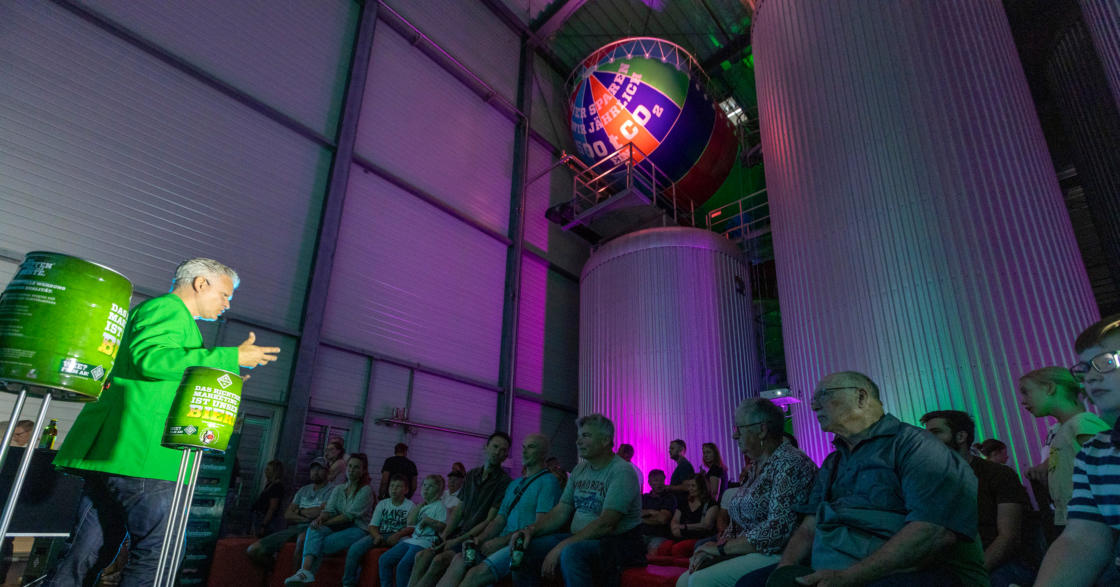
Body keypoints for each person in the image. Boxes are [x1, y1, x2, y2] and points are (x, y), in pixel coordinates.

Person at [45, 258, 281, 586]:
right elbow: (152, 360)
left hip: (118, 455)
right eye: (224, 295)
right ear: (201, 283)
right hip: (145, 456)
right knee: (159, 553)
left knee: (87, 553)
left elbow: (165, 372)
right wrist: (230, 356)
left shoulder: (172, 317)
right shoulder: (167, 310)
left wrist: (218, 374)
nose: (227, 304)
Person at [754, 371, 987, 587]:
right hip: (836, 569)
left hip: (903, 571)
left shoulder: (917, 447)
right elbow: (808, 528)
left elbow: (933, 533)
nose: (814, 406)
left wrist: (848, 577)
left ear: (861, 397)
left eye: (824, 395)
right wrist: (786, 569)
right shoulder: (833, 462)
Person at [677, 398, 816, 587]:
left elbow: (776, 530)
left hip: (778, 552)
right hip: (749, 548)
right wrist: (718, 545)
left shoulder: (790, 463)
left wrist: (722, 549)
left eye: (739, 428)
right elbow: (737, 520)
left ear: (762, 429)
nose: (735, 436)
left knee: (700, 581)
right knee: (684, 580)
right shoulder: (756, 467)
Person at [508, 414, 645, 586]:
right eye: (579, 436)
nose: (578, 442)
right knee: (525, 550)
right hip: (582, 538)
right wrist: (530, 530)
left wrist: (562, 546)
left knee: (571, 553)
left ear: (605, 440)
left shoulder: (622, 471)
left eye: (586, 436)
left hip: (618, 544)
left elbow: (606, 524)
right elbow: (562, 510)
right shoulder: (580, 470)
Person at [1035, 314, 1120, 585]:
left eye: (1107, 362)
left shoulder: (1083, 427)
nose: (1091, 377)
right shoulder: (1095, 453)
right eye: (1085, 368)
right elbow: (1082, 539)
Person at [921, 410, 1035, 586]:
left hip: (995, 562)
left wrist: (972, 575)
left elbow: (1008, 538)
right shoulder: (929, 480)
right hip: (949, 567)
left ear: (961, 436)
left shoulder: (998, 474)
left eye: (936, 432)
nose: (927, 439)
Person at [439, 433, 561, 587]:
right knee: (459, 559)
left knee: (474, 575)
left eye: (531, 447)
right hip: (500, 542)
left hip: (519, 545)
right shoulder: (514, 484)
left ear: (543, 453)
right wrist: (480, 539)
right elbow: (499, 519)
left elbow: (540, 525)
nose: (524, 451)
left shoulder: (548, 482)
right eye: (523, 447)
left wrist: (501, 542)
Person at [408, 432, 512, 587]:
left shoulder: (505, 482)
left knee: (439, 560)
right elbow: (459, 510)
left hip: (475, 538)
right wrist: (445, 535)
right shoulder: (471, 475)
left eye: (503, 450)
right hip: (460, 531)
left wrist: (457, 540)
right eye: (495, 447)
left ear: (506, 456)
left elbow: (489, 520)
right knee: (421, 556)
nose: (497, 452)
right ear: (486, 447)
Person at [1019, 366, 1110, 529]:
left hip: (1093, 522)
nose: (1023, 401)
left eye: (1026, 392)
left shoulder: (1083, 424)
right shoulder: (1061, 430)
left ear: (1049, 388)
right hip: (1074, 520)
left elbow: (1109, 473)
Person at [283, 454, 375, 585]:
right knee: (314, 528)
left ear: (363, 471)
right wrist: (320, 519)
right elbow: (329, 510)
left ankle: (306, 580)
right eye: (349, 466)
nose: (351, 470)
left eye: (356, 467)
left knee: (322, 543)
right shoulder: (339, 488)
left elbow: (349, 516)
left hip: (359, 528)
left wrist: (325, 522)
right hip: (340, 526)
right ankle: (304, 571)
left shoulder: (366, 490)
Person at [246, 457, 333, 567]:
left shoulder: (332, 490)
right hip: (294, 529)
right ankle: (274, 572)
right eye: (313, 468)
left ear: (327, 471)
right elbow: (288, 514)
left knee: (302, 540)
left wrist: (298, 512)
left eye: (320, 469)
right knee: (253, 550)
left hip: (314, 529)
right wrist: (305, 514)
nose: (315, 472)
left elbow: (320, 513)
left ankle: (297, 576)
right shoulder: (303, 490)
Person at [342, 474, 416, 586]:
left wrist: (397, 535)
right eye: (392, 486)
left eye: (398, 486)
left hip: (400, 536)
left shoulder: (410, 505)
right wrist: (376, 536)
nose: (394, 489)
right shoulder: (382, 504)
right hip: (381, 534)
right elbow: (372, 526)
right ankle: (348, 583)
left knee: (408, 546)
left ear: (406, 490)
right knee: (354, 549)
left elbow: (412, 527)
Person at [379, 475, 448, 587]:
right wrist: (419, 506)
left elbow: (443, 527)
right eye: (424, 485)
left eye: (430, 486)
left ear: (439, 491)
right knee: (384, 560)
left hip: (425, 542)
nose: (426, 488)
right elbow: (410, 521)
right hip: (413, 540)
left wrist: (428, 521)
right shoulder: (422, 505)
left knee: (403, 566)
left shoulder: (439, 506)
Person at [640, 469, 677, 556]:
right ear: (649, 482)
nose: (659, 484)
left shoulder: (669, 498)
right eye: (656, 480)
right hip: (642, 534)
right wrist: (652, 512)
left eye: (661, 480)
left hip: (660, 535)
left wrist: (642, 519)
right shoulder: (644, 498)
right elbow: (634, 513)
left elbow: (663, 519)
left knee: (653, 550)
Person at [252, 460, 286, 537]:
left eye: (268, 469)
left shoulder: (277, 487)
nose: (265, 471)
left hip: (265, 518)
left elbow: (272, 508)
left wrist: (264, 524)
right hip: (261, 516)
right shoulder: (271, 485)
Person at [667, 439, 696, 503]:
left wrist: (668, 487)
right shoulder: (682, 465)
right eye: (670, 449)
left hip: (682, 503)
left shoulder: (684, 465)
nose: (669, 451)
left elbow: (687, 486)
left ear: (681, 450)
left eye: (672, 448)